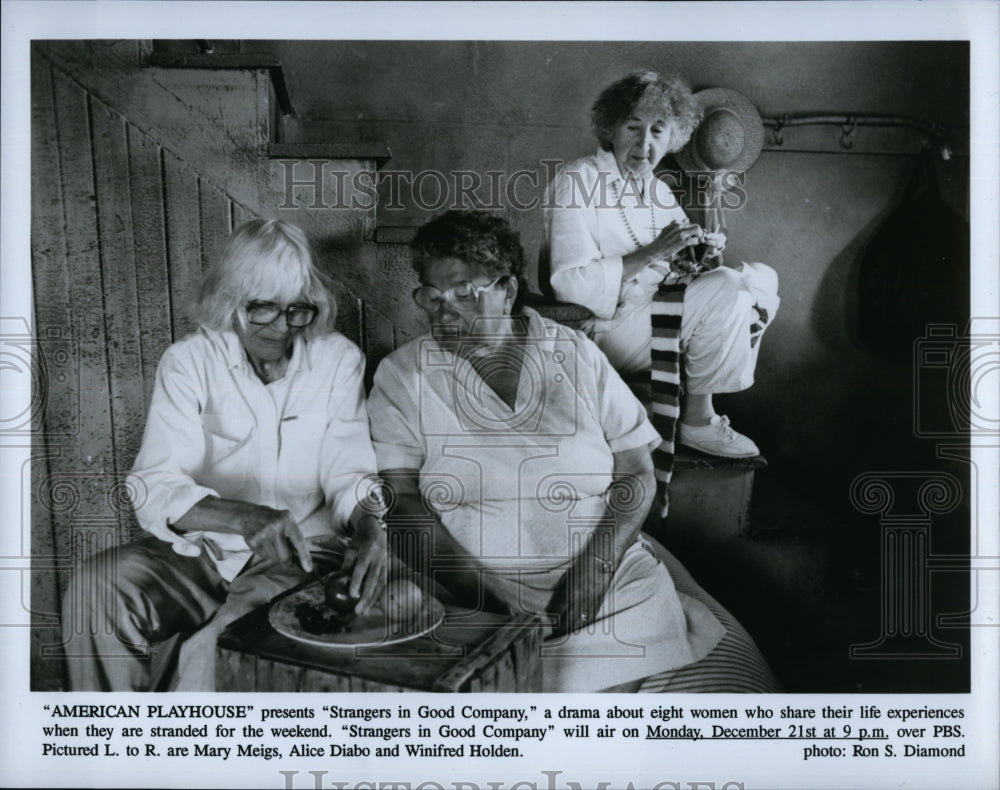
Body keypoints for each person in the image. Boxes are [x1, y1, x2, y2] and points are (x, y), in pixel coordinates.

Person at [368, 210, 777, 692]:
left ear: (506, 289)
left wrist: (592, 575)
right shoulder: (403, 375)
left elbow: (636, 471)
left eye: (464, 293)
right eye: (431, 297)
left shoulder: (575, 353)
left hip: (607, 579)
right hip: (470, 587)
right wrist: (488, 593)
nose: (444, 312)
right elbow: (401, 501)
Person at [62, 219, 389, 691]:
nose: (281, 327)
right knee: (96, 591)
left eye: (295, 310)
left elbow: (350, 471)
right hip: (204, 551)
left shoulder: (337, 360)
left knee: (213, 649)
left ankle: (186, 755)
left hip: (297, 556)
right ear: (230, 300)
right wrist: (242, 517)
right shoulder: (189, 361)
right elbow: (155, 483)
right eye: (262, 309)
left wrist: (371, 527)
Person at [541, 70, 779, 461]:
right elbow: (568, 285)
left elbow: (676, 265)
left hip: (652, 316)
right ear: (611, 129)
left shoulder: (657, 190)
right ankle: (698, 422)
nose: (643, 142)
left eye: (657, 131)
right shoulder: (578, 180)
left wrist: (697, 253)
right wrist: (656, 253)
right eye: (632, 127)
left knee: (759, 277)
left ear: (674, 138)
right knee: (728, 288)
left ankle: (699, 399)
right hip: (604, 330)